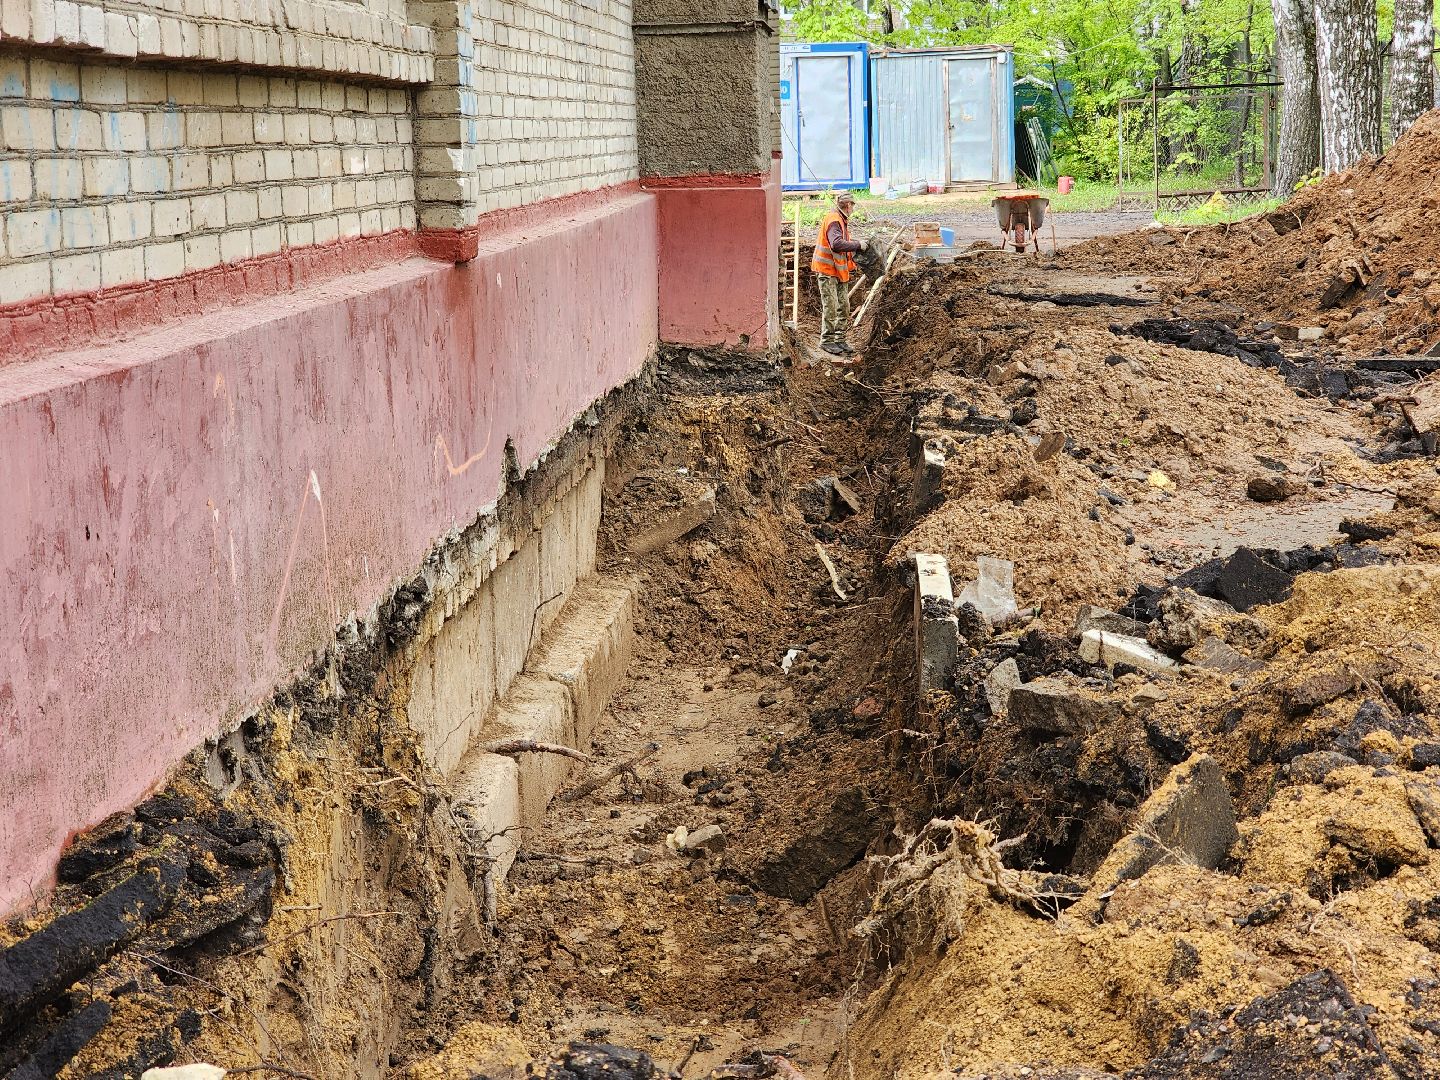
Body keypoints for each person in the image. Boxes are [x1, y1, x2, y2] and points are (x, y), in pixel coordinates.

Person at [810, 193, 867, 356]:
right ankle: (827, 341)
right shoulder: (834, 220)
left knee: (843, 306)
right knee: (832, 306)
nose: (853, 209)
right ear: (848, 205)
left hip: (839, 271)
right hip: (827, 270)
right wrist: (858, 245)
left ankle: (839, 339)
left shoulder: (841, 220)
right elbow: (836, 244)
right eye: (853, 206)